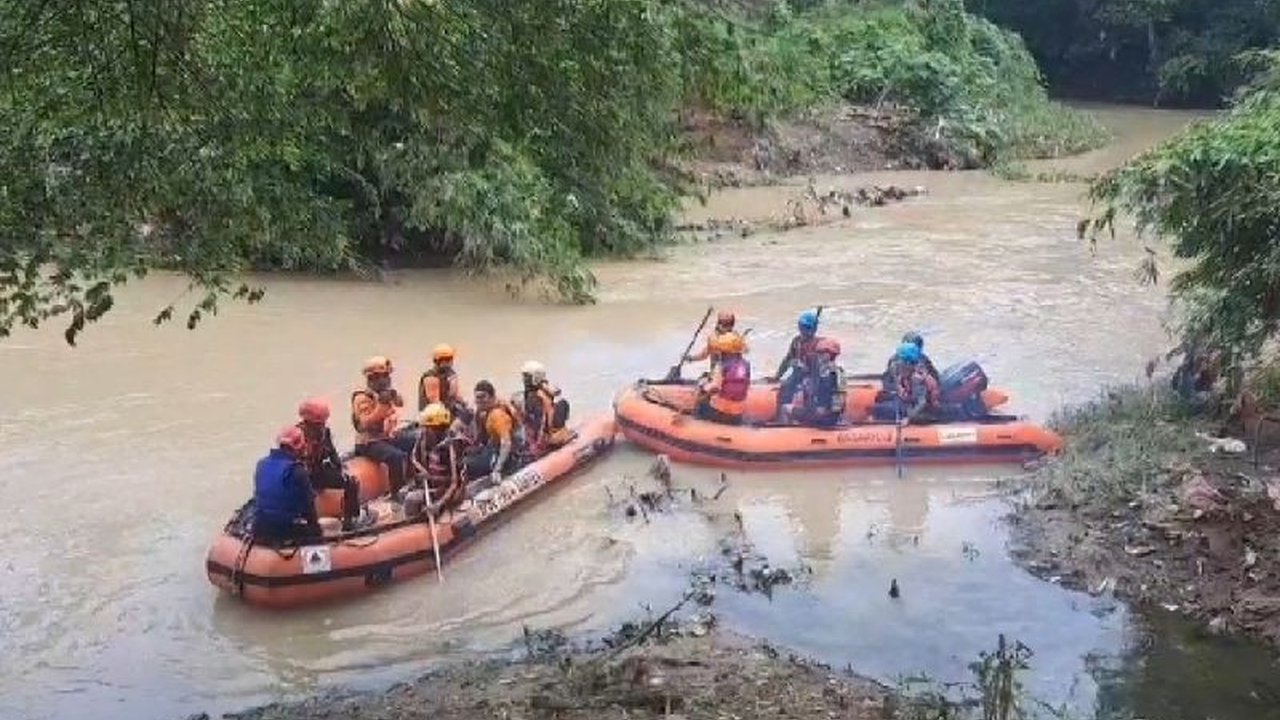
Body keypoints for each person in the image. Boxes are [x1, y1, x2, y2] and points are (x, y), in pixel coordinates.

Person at [296, 397, 362, 531]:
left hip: (318, 471)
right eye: (317, 424)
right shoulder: (296, 435)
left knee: (351, 482)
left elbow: (332, 453)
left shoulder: (324, 432)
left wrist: (340, 469)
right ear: (307, 421)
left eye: (322, 423)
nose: (321, 426)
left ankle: (350, 519)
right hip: (300, 476)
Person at [351, 356, 412, 495]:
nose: (385, 379)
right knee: (396, 457)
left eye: (386, 376)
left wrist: (392, 396)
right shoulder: (362, 397)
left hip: (385, 436)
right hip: (368, 442)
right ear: (371, 378)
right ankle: (397, 493)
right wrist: (381, 407)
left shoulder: (384, 393)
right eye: (381, 376)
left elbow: (400, 403)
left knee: (414, 441)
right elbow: (365, 423)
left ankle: (412, 479)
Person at [252, 426, 321, 543]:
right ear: (298, 446)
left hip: (260, 527)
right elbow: (309, 508)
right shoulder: (297, 471)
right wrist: (318, 533)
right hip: (286, 529)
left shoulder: (261, 464)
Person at [410, 403, 468, 510]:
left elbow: (455, 483)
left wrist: (439, 504)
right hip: (431, 485)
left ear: (439, 429)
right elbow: (414, 459)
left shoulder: (452, 447)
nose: (424, 431)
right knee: (404, 494)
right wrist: (421, 472)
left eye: (428, 428)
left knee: (411, 499)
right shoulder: (423, 439)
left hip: (449, 490)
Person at [465, 380, 523, 488]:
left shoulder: (497, 415)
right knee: (467, 455)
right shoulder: (487, 410)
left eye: (483, 397)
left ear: (492, 397)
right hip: (493, 447)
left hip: (506, 454)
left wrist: (497, 469)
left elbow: (506, 443)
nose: (479, 401)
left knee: (467, 466)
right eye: (477, 397)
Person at [774, 309, 822, 421]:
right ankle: (780, 418)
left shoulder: (818, 345)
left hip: (811, 375)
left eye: (806, 328)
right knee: (785, 388)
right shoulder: (797, 341)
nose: (803, 331)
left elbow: (817, 369)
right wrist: (777, 376)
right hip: (797, 374)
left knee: (808, 391)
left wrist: (813, 383)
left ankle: (804, 417)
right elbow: (787, 359)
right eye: (802, 328)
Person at [695, 332, 751, 425]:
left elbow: (715, 387)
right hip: (738, 413)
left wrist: (703, 385)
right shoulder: (746, 365)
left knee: (702, 396)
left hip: (720, 412)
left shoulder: (721, 366)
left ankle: (697, 422)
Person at [790, 338, 847, 428]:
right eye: (818, 353)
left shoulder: (827, 375)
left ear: (829, 355)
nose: (819, 356)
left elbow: (823, 402)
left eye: (821, 353)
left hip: (824, 418)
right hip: (834, 416)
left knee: (786, 408)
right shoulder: (839, 371)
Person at [520, 360, 573, 456]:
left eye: (526, 377)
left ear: (534, 378)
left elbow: (540, 421)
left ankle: (553, 439)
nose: (523, 380)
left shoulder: (534, 398)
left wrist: (538, 444)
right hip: (552, 429)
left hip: (547, 437)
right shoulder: (544, 389)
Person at [895, 342, 941, 425]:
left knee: (885, 410)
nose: (898, 362)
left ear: (908, 362)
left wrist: (909, 418)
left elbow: (922, 402)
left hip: (928, 411)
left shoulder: (917, 379)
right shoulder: (907, 374)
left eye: (901, 360)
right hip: (913, 405)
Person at [418, 344, 468, 418]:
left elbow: (456, 395)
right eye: (447, 360)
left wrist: (464, 405)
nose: (450, 363)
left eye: (451, 359)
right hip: (432, 416)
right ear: (438, 361)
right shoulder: (431, 377)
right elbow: (434, 402)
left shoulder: (451, 374)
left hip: (447, 412)